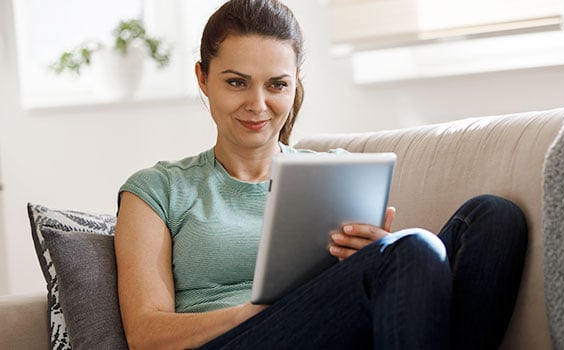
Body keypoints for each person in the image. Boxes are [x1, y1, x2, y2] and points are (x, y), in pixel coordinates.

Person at [114, 0, 528, 349]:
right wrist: (254, 311)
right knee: (413, 250)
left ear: (295, 86)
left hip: (339, 331)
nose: (258, 104)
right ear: (203, 79)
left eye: (277, 85)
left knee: (493, 219)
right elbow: (146, 334)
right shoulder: (157, 190)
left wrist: (382, 261)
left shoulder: (333, 170)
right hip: (236, 340)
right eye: (237, 82)